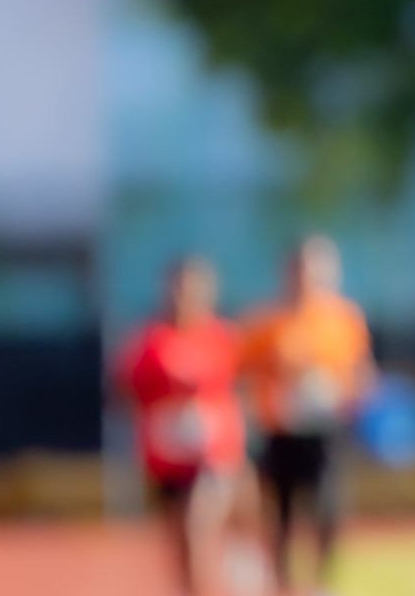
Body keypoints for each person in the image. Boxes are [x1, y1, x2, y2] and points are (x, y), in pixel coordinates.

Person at [239, 235, 375, 596]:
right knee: (279, 514)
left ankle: (320, 582)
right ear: (287, 273)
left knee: (328, 507)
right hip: (280, 431)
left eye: (315, 271)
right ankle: (282, 584)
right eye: (299, 270)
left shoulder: (344, 319)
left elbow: (360, 370)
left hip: (325, 430)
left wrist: (353, 394)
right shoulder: (265, 321)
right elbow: (241, 371)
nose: (306, 279)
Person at [116, 256, 248, 596]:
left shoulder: (223, 338)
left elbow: (241, 391)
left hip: (214, 455)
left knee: (197, 526)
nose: (183, 297)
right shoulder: (149, 342)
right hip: (168, 458)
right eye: (177, 289)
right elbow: (123, 392)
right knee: (179, 541)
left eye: (192, 289)